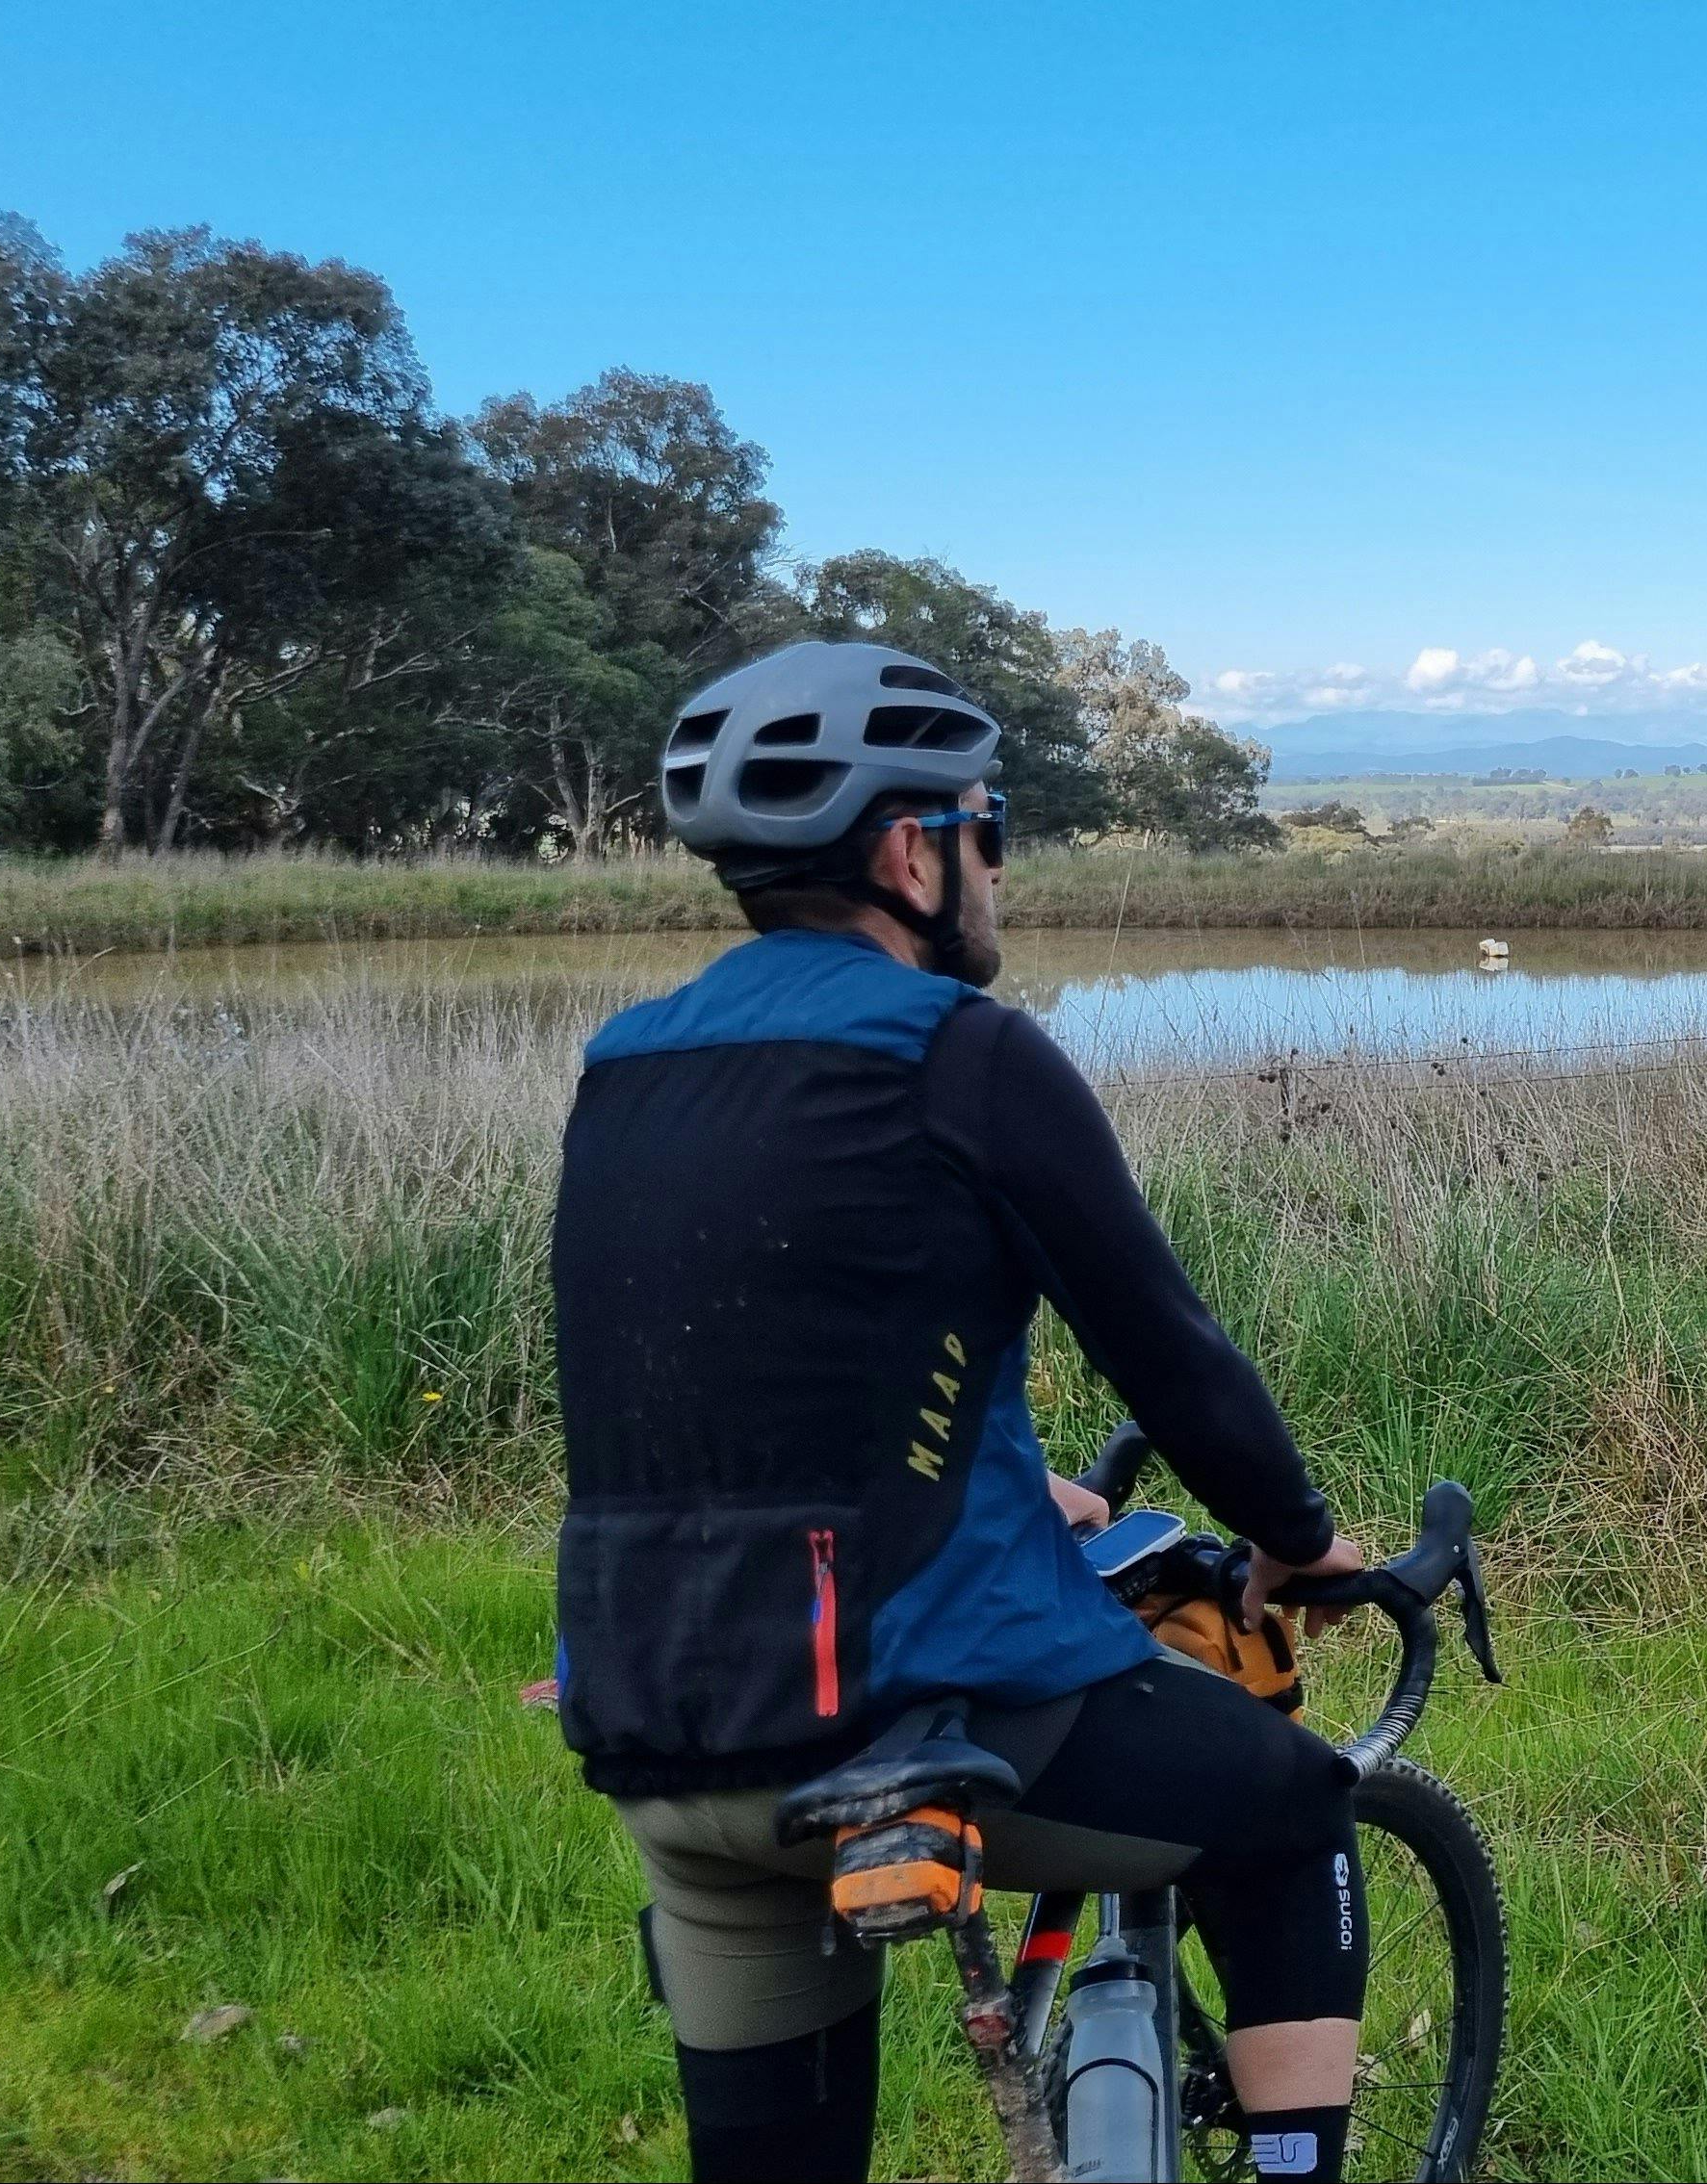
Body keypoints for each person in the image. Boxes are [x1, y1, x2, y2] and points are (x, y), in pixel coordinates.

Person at [549, 640, 1370, 2182]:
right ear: (911, 852)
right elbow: (1170, 1352)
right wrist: (1296, 1533)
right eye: (990, 827)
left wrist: (1010, 1483)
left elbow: (738, 1377)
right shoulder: (958, 1052)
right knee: (1295, 1808)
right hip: (906, 1719)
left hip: (662, 1729)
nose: (999, 865)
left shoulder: (626, 1067)